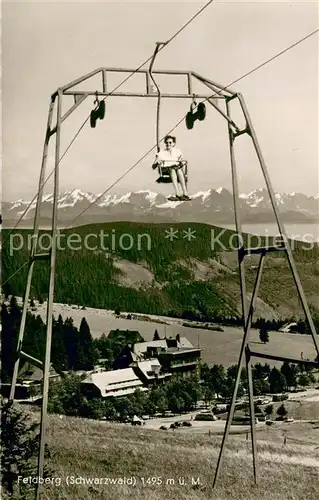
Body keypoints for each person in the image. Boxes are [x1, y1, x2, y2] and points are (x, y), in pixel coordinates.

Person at [152, 135, 190, 201]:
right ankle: (178, 194)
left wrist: (182, 163)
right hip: (166, 169)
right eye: (166, 142)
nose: (168, 144)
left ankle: (185, 194)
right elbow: (153, 166)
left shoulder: (177, 151)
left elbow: (181, 161)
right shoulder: (161, 153)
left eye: (170, 142)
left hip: (176, 167)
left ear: (173, 143)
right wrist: (158, 162)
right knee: (172, 170)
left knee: (178, 170)